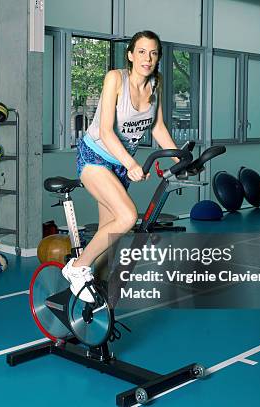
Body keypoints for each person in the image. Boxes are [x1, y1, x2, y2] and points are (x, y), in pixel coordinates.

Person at [62, 30, 179, 302]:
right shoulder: (116, 78)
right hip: (95, 158)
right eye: (141, 52)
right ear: (130, 55)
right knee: (128, 217)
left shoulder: (155, 84)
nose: (147, 58)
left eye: (153, 53)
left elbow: (158, 127)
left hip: (118, 168)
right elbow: (105, 130)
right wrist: (131, 163)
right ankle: (77, 268)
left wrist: (179, 159)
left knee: (110, 240)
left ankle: (95, 310)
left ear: (158, 57)